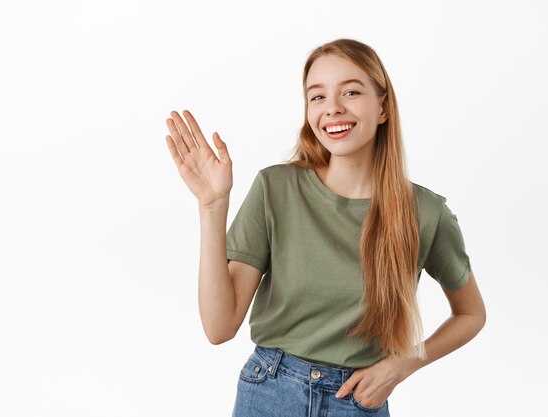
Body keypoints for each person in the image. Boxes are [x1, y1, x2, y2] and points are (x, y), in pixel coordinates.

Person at [164, 38, 486, 417]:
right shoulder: (275, 188)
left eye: (350, 91)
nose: (333, 108)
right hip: (269, 392)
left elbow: (471, 314)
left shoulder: (425, 213)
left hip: (356, 400)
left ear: (382, 107)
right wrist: (212, 206)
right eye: (317, 97)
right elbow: (219, 328)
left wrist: (400, 366)